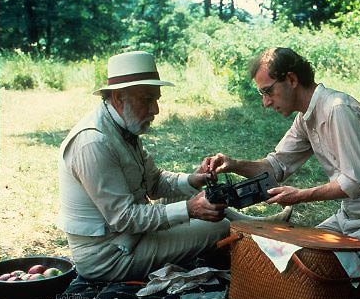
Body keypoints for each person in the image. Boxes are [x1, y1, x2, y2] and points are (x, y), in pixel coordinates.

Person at [202, 47, 360, 299]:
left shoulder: (337, 109)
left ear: (291, 79)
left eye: (268, 91)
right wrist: (233, 164)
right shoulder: (306, 117)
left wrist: (300, 196)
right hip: (349, 214)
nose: (265, 102)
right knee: (297, 264)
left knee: (323, 288)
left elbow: (359, 181)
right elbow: (276, 166)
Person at [58, 51, 290, 281]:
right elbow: (124, 218)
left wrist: (193, 180)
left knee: (205, 198)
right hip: (109, 256)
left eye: (156, 99)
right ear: (119, 98)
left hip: (128, 238)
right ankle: (256, 232)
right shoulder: (93, 142)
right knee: (217, 227)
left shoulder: (120, 126)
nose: (155, 110)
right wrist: (189, 209)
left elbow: (155, 182)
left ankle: (256, 226)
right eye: (147, 99)